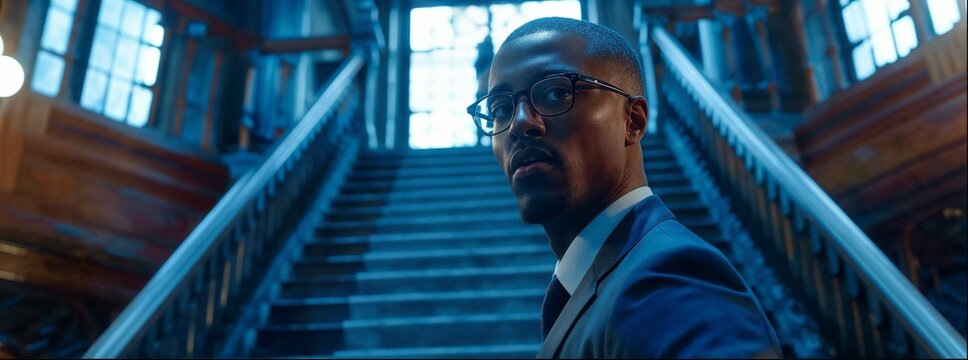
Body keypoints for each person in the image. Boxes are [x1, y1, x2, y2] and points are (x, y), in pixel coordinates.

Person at [466, 17, 782, 358]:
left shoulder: (668, 277)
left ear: (633, 121)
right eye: (500, 109)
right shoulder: (600, 277)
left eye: (557, 92)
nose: (520, 123)